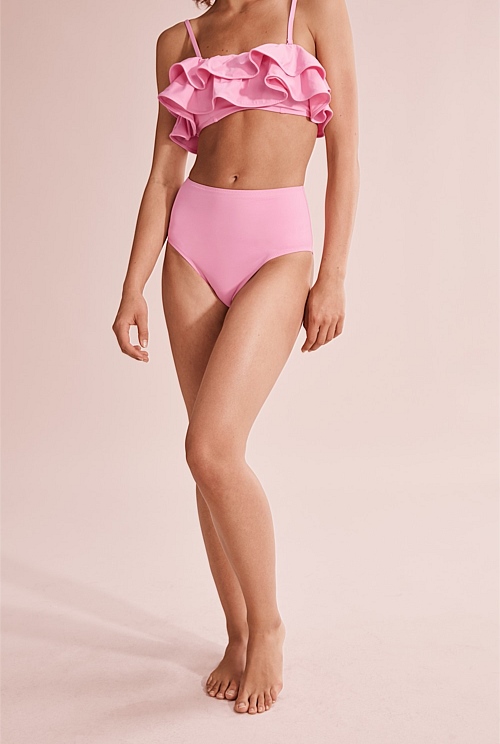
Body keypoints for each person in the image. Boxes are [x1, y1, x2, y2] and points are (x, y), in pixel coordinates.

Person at [112, 0, 359, 716]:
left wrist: (333, 276)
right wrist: (131, 288)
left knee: (210, 446)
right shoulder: (179, 39)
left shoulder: (313, 10)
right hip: (191, 250)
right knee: (208, 458)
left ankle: (269, 626)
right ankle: (238, 631)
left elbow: (345, 151)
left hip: (278, 250)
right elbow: (164, 178)